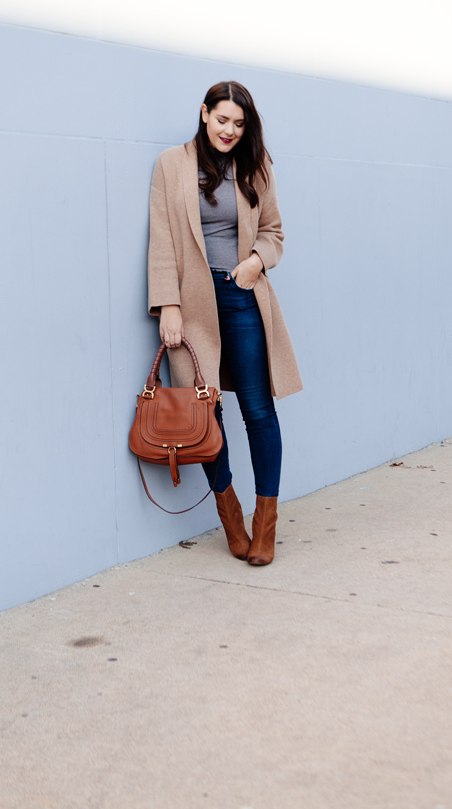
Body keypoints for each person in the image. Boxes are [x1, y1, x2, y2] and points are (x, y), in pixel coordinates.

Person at [147, 81, 302, 565]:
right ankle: (229, 511)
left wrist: (257, 261)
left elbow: (274, 232)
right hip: (191, 303)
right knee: (204, 412)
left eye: (238, 123)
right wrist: (167, 304)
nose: (230, 131)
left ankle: (266, 523)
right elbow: (162, 238)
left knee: (257, 410)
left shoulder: (256, 164)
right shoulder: (172, 164)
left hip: (240, 296)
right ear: (204, 113)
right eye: (222, 120)